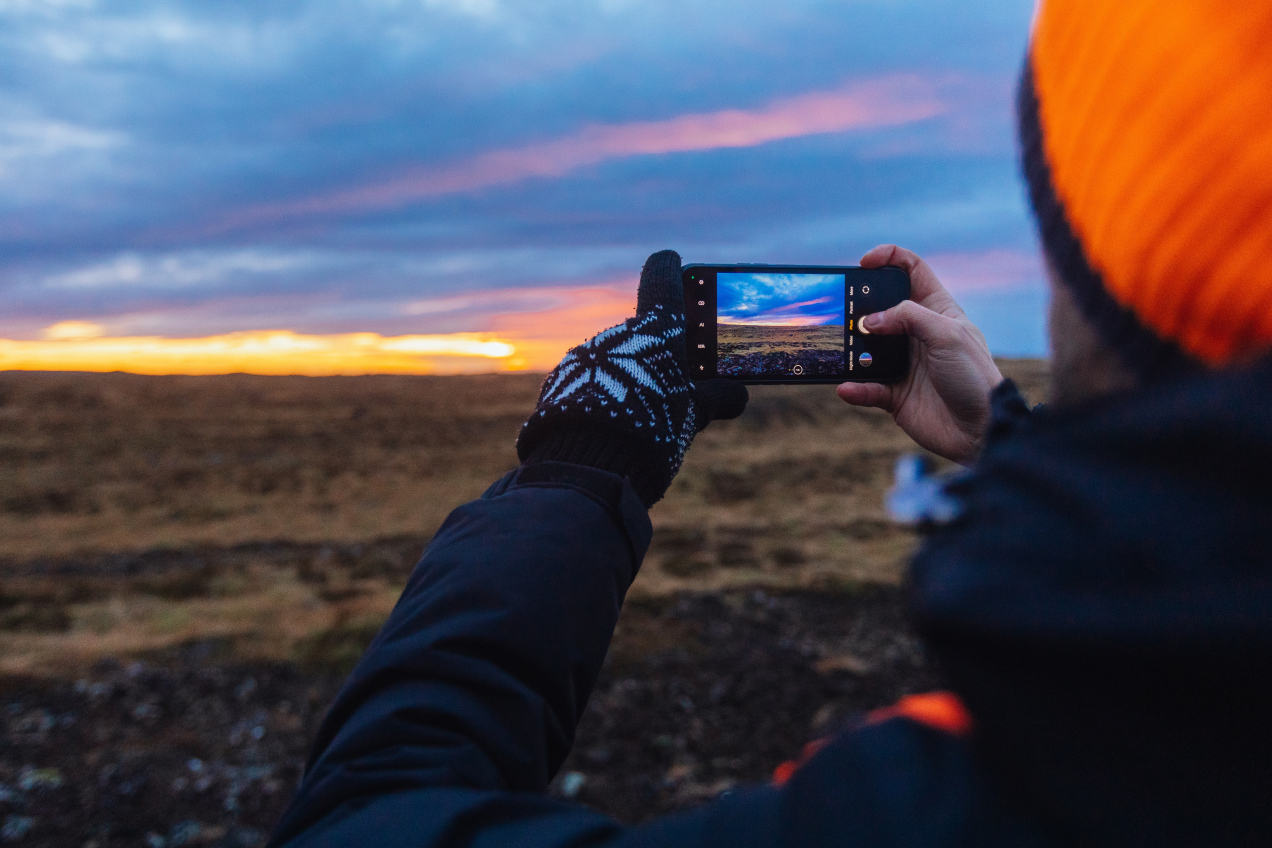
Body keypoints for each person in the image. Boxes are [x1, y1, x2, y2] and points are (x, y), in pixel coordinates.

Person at [267, 2, 1272, 845]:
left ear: (1115, 286)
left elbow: (365, 816)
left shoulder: (1013, 789)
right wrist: (1004, 435)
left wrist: (585, 456)